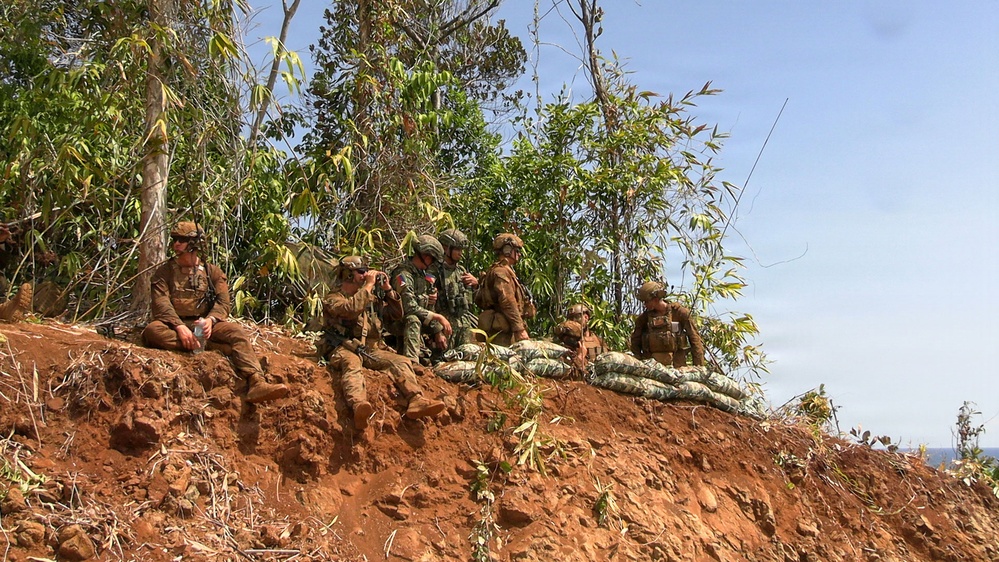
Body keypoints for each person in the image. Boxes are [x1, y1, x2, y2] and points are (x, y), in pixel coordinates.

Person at [142, 221, 289, 404]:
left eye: (181, 240)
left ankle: (256, 381)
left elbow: (223, 303)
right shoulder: (164, 272)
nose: (176, 244)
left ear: (194, 244)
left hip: (205, 325)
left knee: (236, 332)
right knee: (153, 331)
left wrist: (210, 321)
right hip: (175, 326)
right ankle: (212, 347)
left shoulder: (212, 272)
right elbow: (161, 303)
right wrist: (179, 326)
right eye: (175, 240)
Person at [323, 255, 446, 429]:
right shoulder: (334, 298)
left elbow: (396, 314)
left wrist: (388, 290)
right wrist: (368, 285)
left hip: (369, 349)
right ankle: (358, 405)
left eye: (366, 271)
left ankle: (416, 399)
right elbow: (350, 309)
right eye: (361, 272)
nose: (365, 275)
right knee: (351, 363)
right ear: (348, 274)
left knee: (401, 361)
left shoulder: (369, 299)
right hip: (343, 347)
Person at [389, 235, 453, 362]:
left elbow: (429, 307)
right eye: (432, 260)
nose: (432, 264)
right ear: (427, 257)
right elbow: (409, 308)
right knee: (413, 319)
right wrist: (437, 317)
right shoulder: (403, 275)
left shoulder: (423, 276)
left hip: (418, 320)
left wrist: (438, 331)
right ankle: (411, 361)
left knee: (446, 326)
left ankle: (439, 358)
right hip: (397, 321)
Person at [475, 233, 535, 346]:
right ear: (507, 250)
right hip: (500, 332)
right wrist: (519, 329)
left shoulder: (508, 271)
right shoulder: (501, 272)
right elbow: (507, 300)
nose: (519, 254)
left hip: (506, 328)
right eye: (517, 251)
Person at [629, 281, 705, 368]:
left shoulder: (679, 313)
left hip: (677, 367)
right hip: (652, 368)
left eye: (647, 302)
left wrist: (699, 367)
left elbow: (695, 340)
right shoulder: (643, 319)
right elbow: (635, 344)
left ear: (655, 299)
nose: (645, 305)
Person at [435, 229, 478, 348]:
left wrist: (476, 285)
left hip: (464, 322)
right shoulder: (435, 270)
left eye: (461, 250)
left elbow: (473, 301)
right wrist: (437, 331)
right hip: (444, 323)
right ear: (446, 248)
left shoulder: (461, 271)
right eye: (457, 249)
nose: (460, 253)